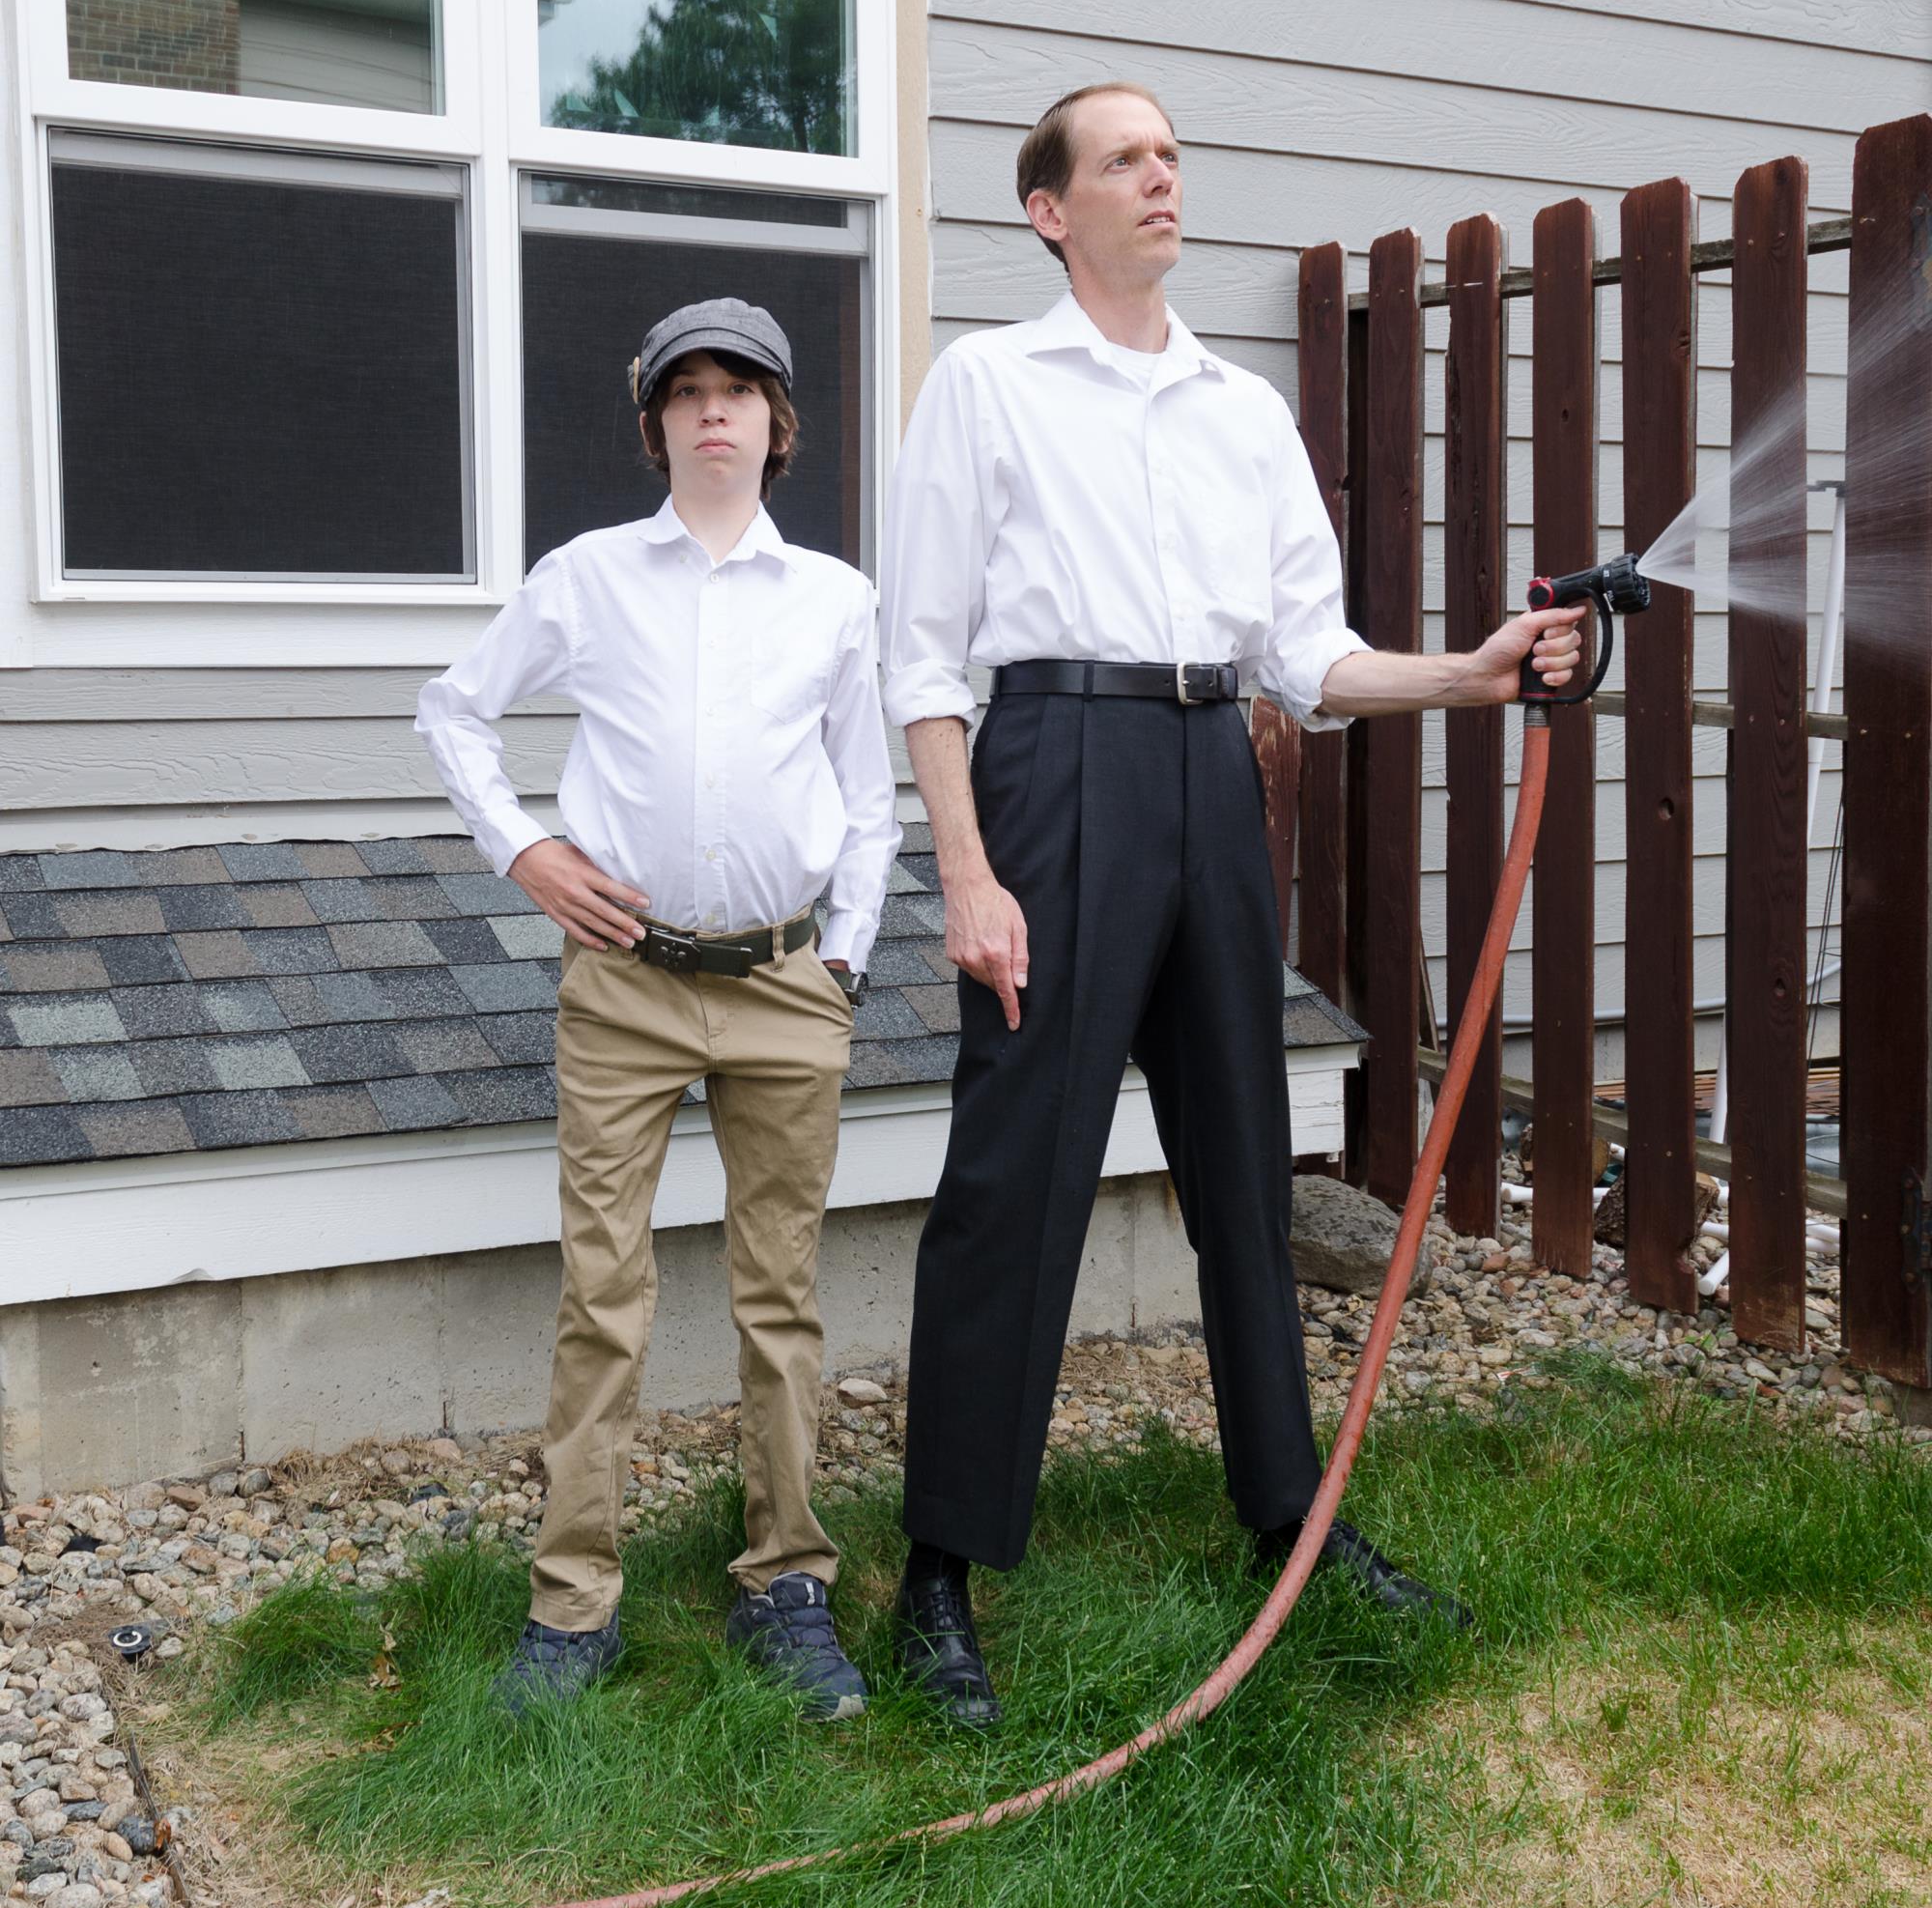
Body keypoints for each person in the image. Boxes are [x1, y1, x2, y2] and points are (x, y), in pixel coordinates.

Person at [878, 83, 1584, 1727]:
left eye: (1172, 155)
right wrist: (969, 871)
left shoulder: (1241, 410)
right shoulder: (985, 383)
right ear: (1050, 209)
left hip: (1214, 775)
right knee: (1013, 1174)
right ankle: (941, 1566)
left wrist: (1471, 673)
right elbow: (919, 655)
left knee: (1245, 1169)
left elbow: (1309, 659)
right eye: (1124, 158)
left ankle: (1290, 1518)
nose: (1161, 175)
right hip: (1051, 764)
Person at [417, 299, 899, 1721]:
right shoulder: (586, 580)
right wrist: (529, 849)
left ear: (777, 424)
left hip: (783, 985)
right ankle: (574, 1606)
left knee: (781, 1296)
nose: (712, 413)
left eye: (738, 390)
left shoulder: (834, 600)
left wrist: (846, 959)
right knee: (602, 1296)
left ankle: (786, 1581)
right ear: (654, 426)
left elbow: (868, 798)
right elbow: (455, 709)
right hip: (624, 987)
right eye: (685, 391)